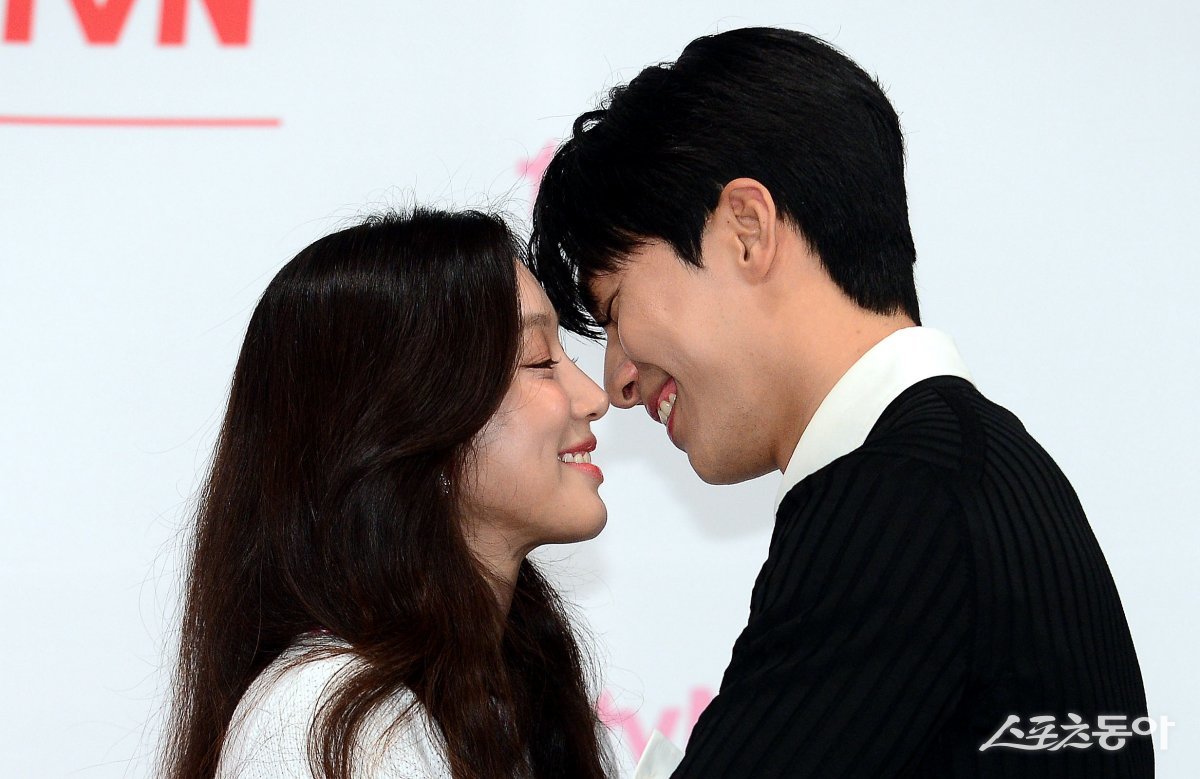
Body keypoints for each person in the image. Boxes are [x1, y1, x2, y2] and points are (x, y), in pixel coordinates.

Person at [529, 26, 1153, 777]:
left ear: (747, 232)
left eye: (617, 308)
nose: (619, 382)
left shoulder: (897, 505)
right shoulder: (982, 467)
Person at [161, 208, 613, 779]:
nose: (594, 396)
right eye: (540, 361)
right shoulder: (324, 716)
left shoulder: (505, 693)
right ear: (410, 428)